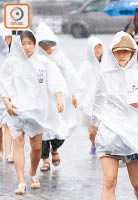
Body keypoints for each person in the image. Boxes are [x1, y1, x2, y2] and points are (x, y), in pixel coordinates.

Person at [90, 31, 138, 200]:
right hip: (109, 135)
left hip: (133, 136)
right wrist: (93, 126)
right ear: (113, 53)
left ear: (133, 53)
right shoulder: (104, 77)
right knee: (109, 181)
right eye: (118, 51)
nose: (122, 55)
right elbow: (97, 104)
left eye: (126, 51)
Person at [0, 30, 67, 195]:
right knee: (18, 143)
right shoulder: (11, 63)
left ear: (35, 44)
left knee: (37, 147)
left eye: (30, 43)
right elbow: (4, 83)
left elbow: (55, 80)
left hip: (37, 110)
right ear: (19, 45)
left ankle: (32, 173)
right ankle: (21, 181)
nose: (27, 47)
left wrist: (59, 97)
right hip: (15, 109)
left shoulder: (43, 62)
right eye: (24, 44)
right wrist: (7, 102)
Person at [36, 22, 82, 171]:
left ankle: (55, 148)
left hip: (60, 98)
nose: (46, 47)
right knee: (43, 130)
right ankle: (45, 159)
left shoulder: (59, 56)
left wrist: (74, 94)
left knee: (60, 128)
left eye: (49, 43)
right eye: (43, 44)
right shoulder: (35, 58)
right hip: (43, 99)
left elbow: (70, 74)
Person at [78, 36, 107, 154]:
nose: (97, 50)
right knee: (90, 127)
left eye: (100, 47)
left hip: (103, 101)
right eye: (95, 48)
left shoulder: (106, 64)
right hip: (88, 101)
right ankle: (94, 144)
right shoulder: (86, 65)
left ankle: (101, 146)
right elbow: (79, 82)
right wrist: (77, 97)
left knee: (101, 125)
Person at [0, 23, 14, 162]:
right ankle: (2, 151)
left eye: (8, 37)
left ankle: (9, 153)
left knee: (8, 123)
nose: (6, 40)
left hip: (10, 92)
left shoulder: (14, 53)